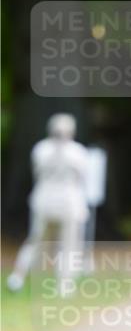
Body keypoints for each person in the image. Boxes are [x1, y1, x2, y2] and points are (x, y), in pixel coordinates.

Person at [7, 114, 90, 296]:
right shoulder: (77, 152)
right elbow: (83, 179)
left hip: (44, 201)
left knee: (36, 241)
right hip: (67, 203)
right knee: (66, 246)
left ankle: (18, 277)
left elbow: (36, 173)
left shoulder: (40, 149)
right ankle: (64, 285)